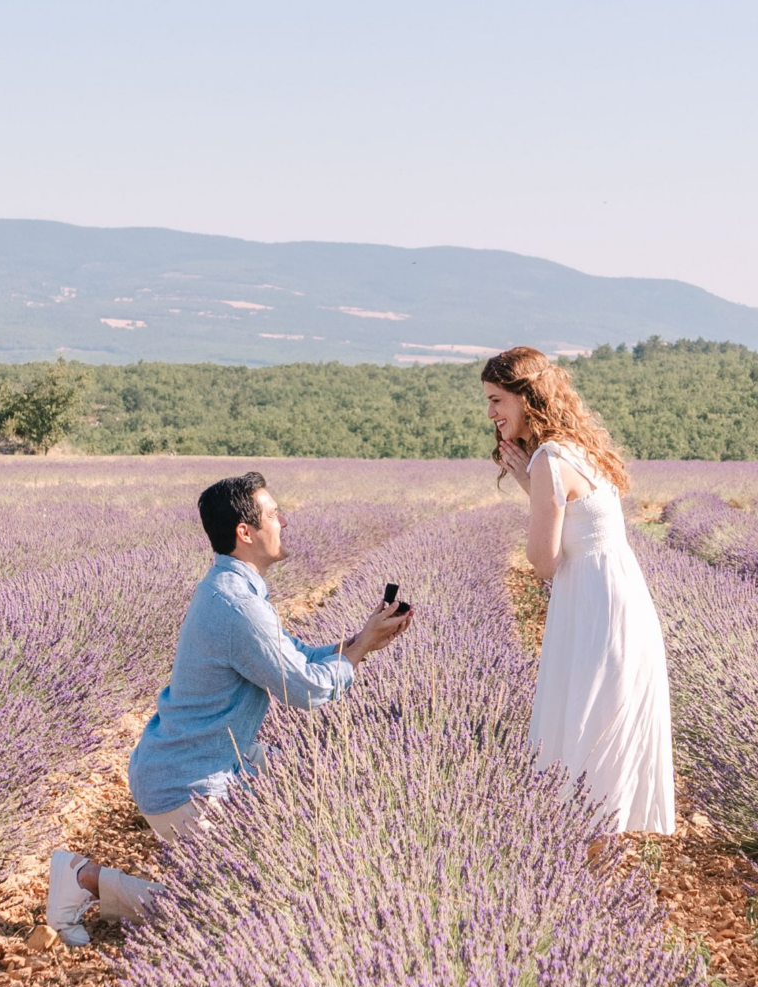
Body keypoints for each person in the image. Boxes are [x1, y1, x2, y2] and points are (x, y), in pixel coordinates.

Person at [44, 471, 412, 945]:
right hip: (187, 782)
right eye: (274, 513)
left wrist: (362, 640)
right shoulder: (236, 605)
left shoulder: (237, 592)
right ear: (245, 531)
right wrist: (361, 650)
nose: (283, 520)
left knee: (307, 821)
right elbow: (306, 691)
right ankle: (82, 879)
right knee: (224, 911)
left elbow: (295, 657)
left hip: (210, 762)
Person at [483, 346, 675, 834]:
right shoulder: (578, 449)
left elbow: (544, 561)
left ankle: (586, 858)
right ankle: (608, 857)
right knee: (606, 723)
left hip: (591, 605)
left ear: (526, 399)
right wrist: (534, 485)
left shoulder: (548, 459)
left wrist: (532, 486)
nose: (491, 414)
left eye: (496, 400)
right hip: (619, 598)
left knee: (585, 727)